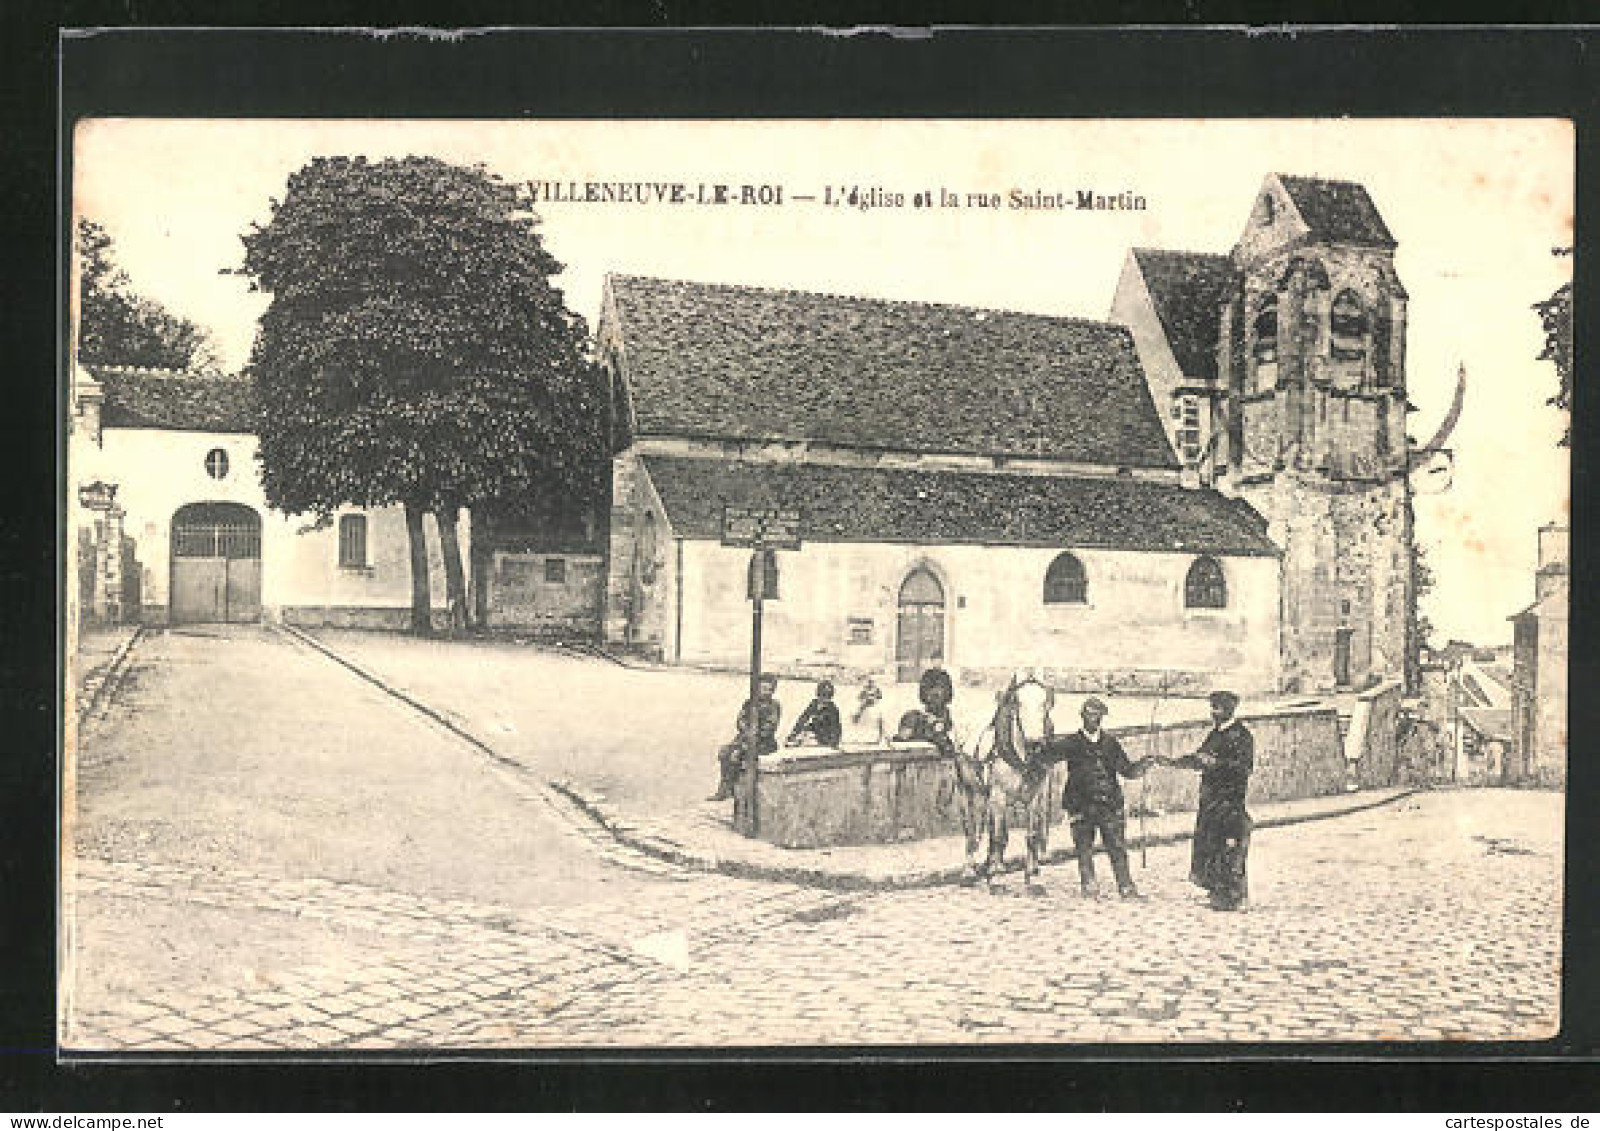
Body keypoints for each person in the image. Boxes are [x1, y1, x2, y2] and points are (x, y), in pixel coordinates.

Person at [1037, 697, 1158, 900]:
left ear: (1102, 718)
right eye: (1090, 715)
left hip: (1109, 803)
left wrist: (1142, 766)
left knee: (1117, 847)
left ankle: (1126, 888)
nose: (1094, 720)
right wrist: (1043, 744)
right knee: (1084, 847)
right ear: (1082, 716)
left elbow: (1126, 770)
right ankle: (1089, 886)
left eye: (1098, 716)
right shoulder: (1071, 743)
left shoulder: (1111, 743)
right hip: (1081, 804)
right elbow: (1047, 757)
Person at [1169, 690, 1255, 911]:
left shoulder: (1242, 736)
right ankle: (1216, 892)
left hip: (1230, 801)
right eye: (1213, 708)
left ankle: (1236, 897)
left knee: (1230, 849)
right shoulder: (1214, 735)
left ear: (1229, 710)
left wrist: (1216, 763)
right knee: (1210, 846)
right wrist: (1177, 762)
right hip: (1210, 801)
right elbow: (1201, 757)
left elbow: (1244, 768)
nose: (1214, 712)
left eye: (1218, 708)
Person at [709, 673, 782, 801]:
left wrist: (755, 733)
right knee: (724, 752)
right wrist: (745, 730)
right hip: (745, 737)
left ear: (773, 691)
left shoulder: (774, 706)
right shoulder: (749, 703)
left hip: (764, 743)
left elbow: (770, 727)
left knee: (736, 755)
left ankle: (729, 790)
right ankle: (727, 788)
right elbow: (740, 720)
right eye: (762, 688)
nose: (764, 692)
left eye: (768, 690)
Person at [787, 679, 843, 747]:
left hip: (826, 736)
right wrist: (794, 733)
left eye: (828, 696)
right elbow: (803, 719)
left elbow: (836, 728)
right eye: (822, 695)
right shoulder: (814, 704)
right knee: (806, 729)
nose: (824, 699)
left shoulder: (833, 709)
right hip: (815, 731)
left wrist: (834, 742)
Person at [849, 677, 886, 744]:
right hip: (865, 708)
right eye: (869, 682)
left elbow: (879, 696)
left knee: (878, 721)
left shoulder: (876, 690)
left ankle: (877, 738)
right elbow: (859, 697)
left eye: (871, 682)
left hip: (872, 707)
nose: (870, 684)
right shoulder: (864, 690)